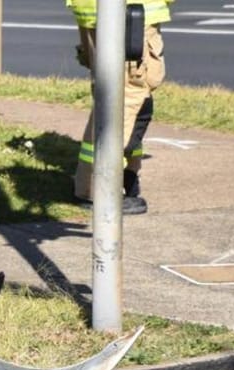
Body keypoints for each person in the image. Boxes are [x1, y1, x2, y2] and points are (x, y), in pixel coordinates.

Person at [67, 0, 172, 215]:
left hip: (97, 11)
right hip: (127, 14)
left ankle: (120, 177)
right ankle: (99, 188)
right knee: (128, 97)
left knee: (112, 96)